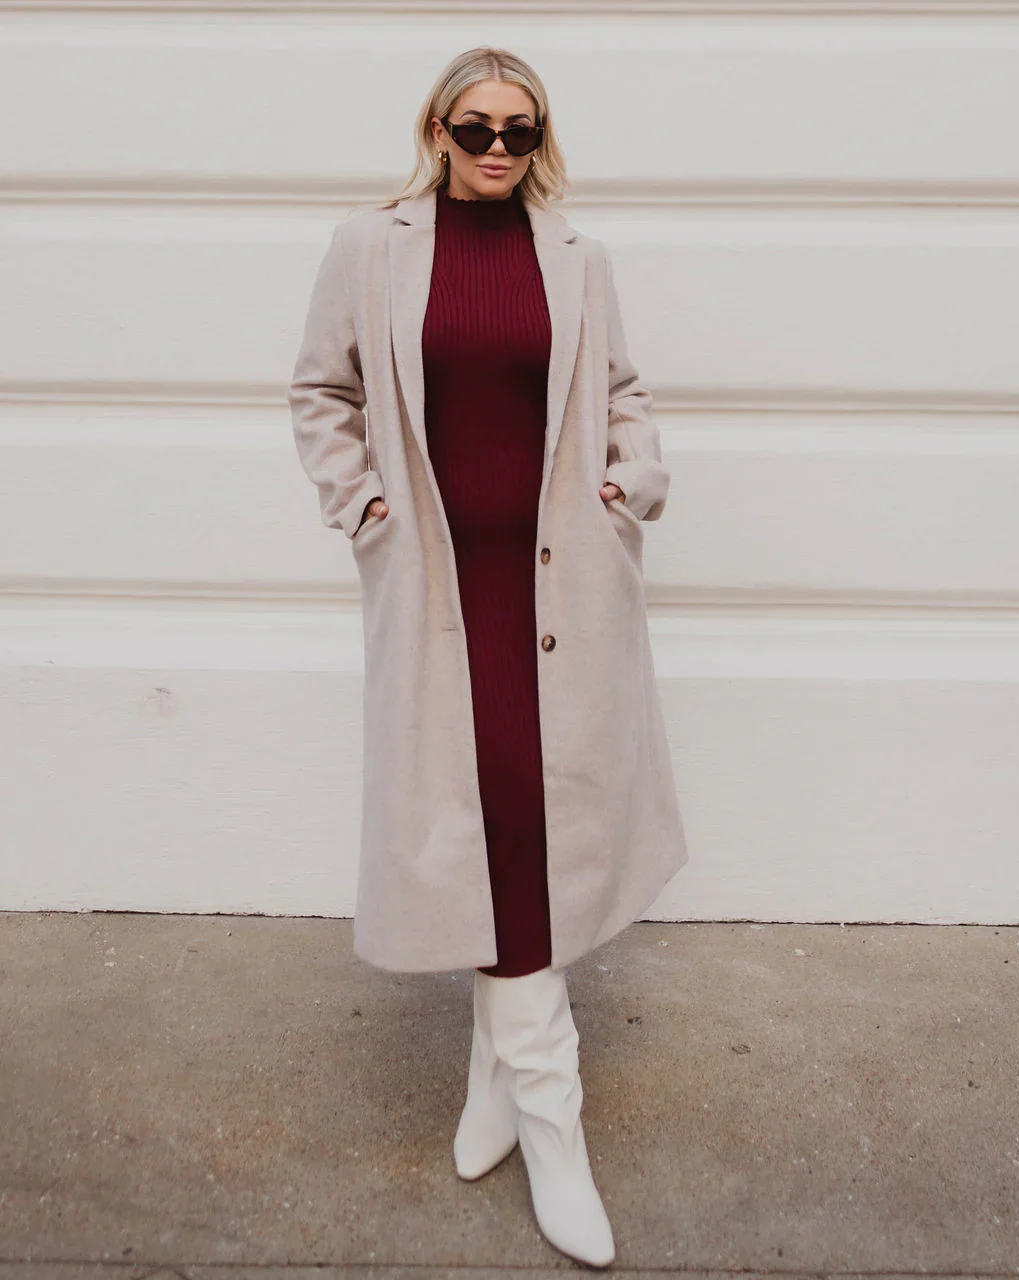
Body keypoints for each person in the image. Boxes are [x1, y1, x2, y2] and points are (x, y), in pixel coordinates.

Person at [288, 45, 688, 1268]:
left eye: (521, 130)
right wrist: (361, 505)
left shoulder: (577, 256)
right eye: (477, 129)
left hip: (560, 583)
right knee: (489, 816)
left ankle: (504, 1088)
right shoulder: (370, 248)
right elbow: (320, 392)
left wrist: (630, 481)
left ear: (540, 139)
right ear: (438, 132)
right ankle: (547, 1111)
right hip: (439, 585)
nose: (499, 149)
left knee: (524, 818)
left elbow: (623, 391)